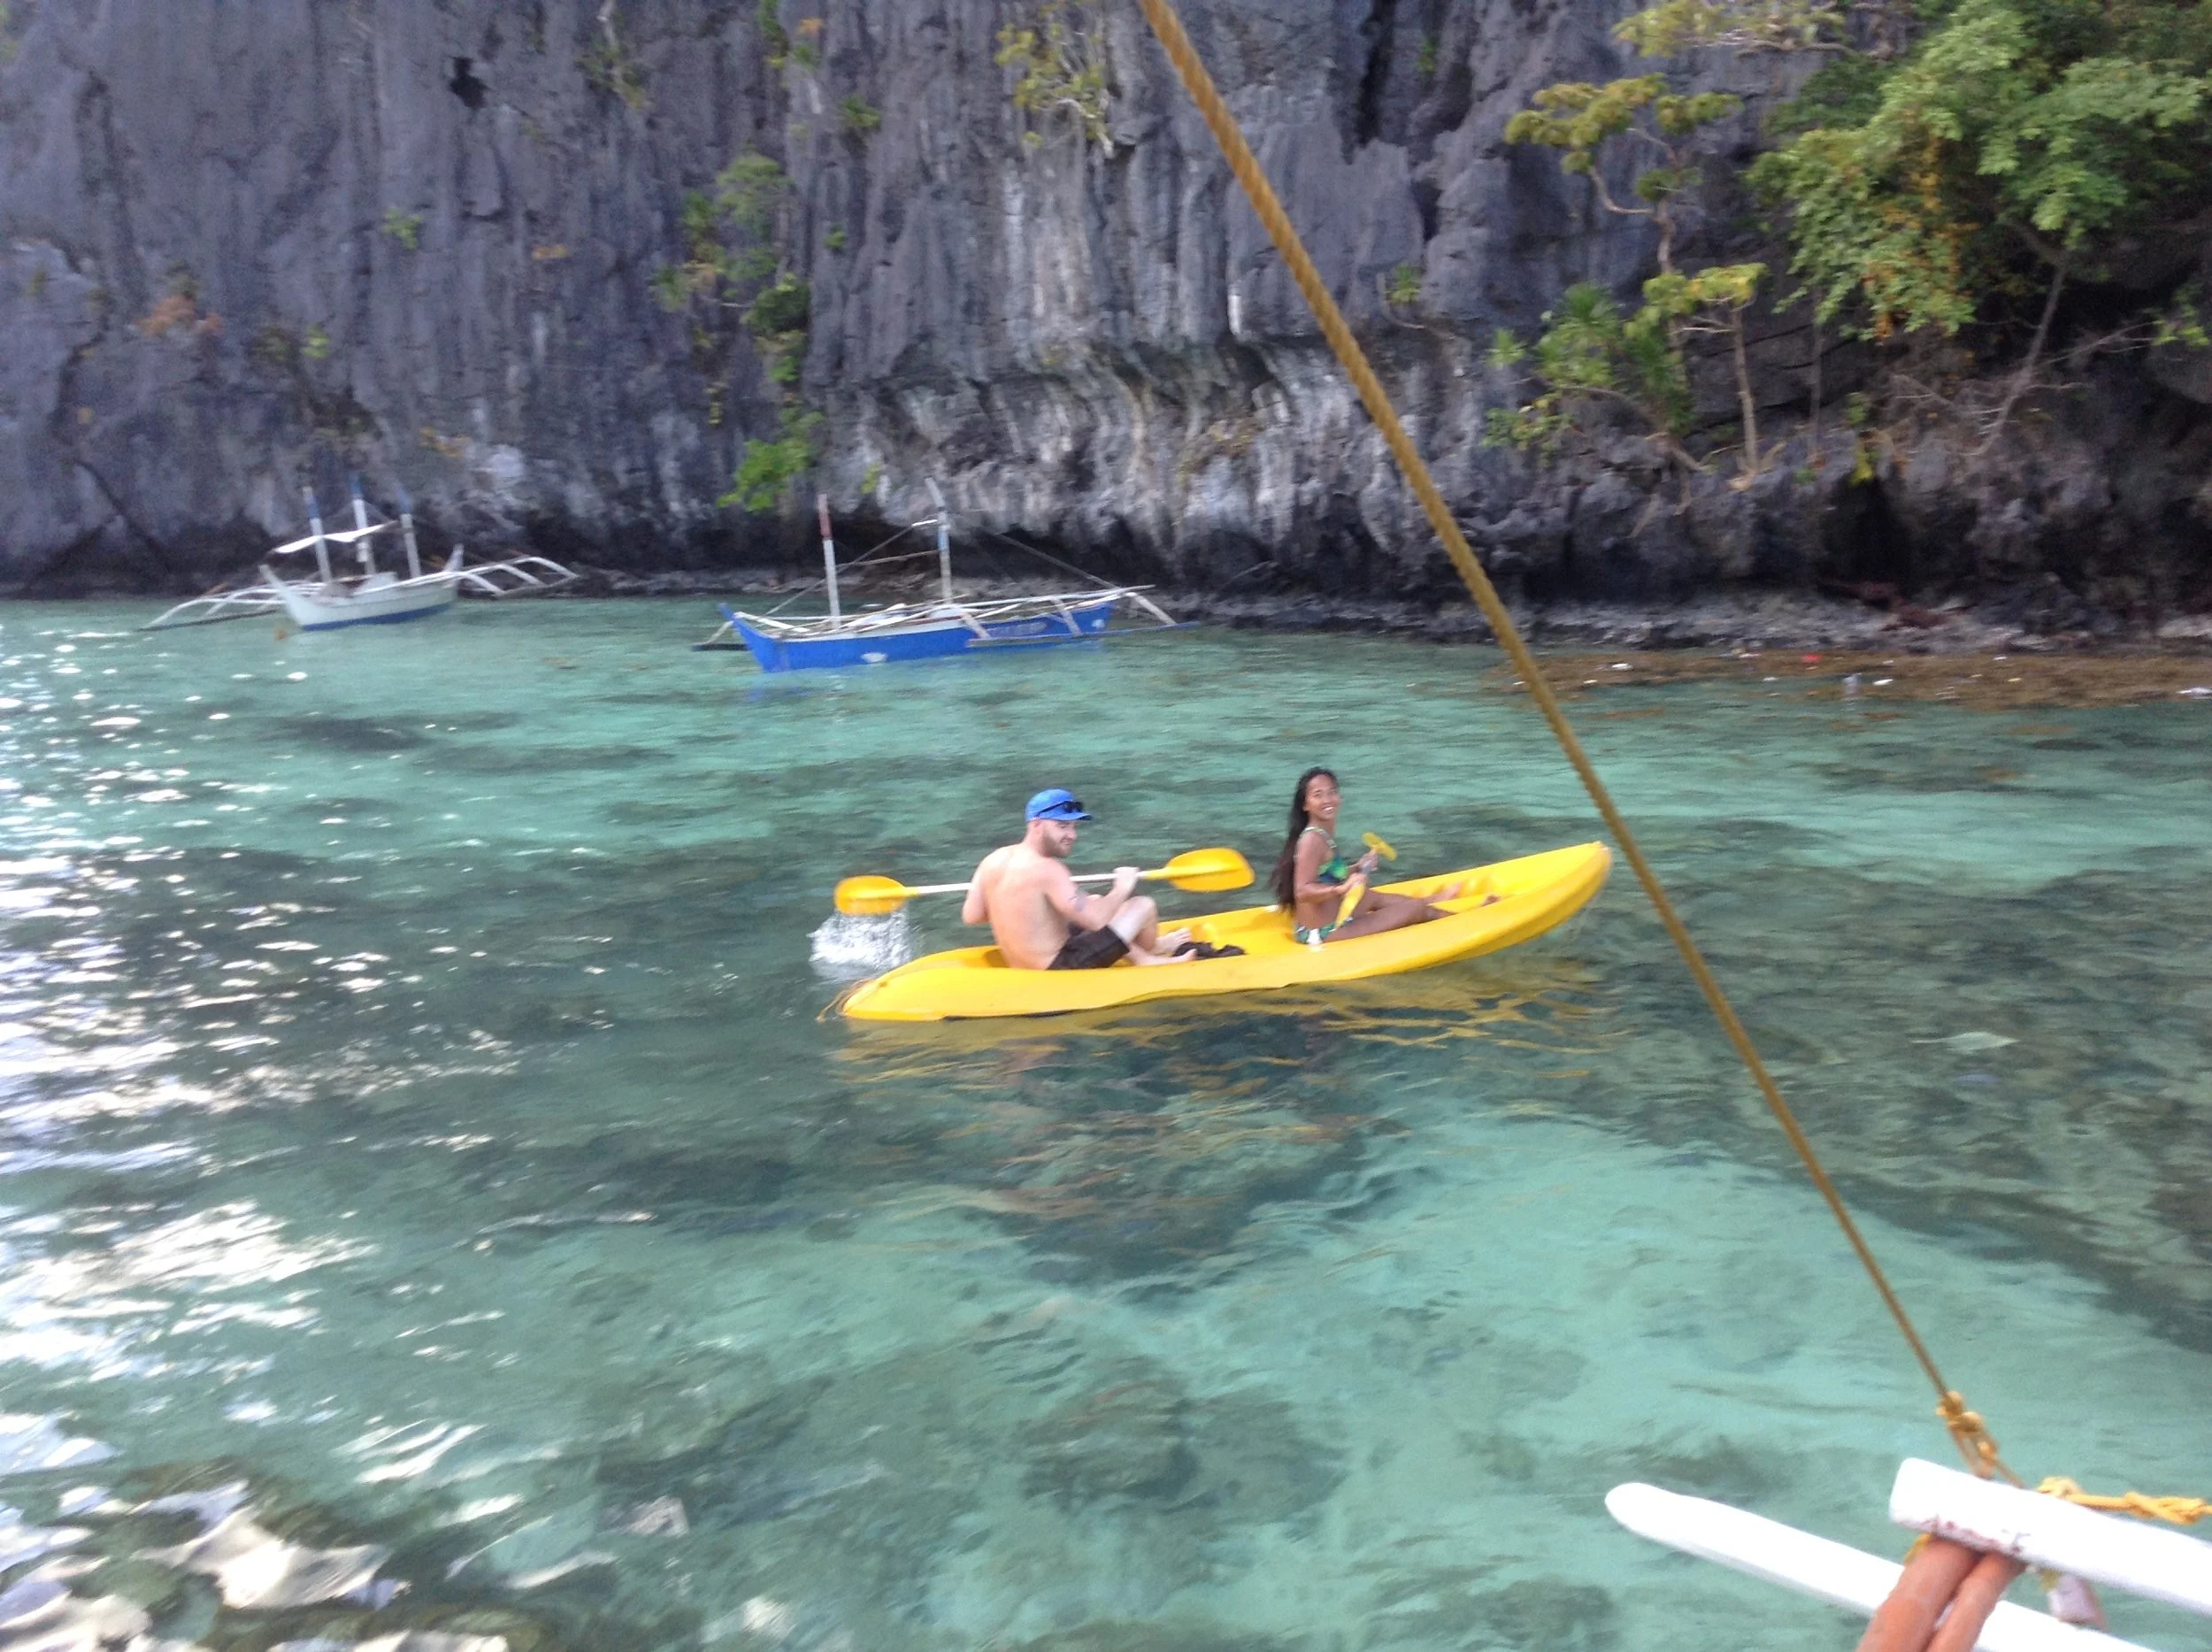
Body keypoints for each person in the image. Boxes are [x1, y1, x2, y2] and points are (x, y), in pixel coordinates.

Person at [963, 788, 1194, 971]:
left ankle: (1150, 951)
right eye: (1062, 826)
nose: (1072, 835)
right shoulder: (1048, 869)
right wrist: (1121, 888)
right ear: (1036, 825)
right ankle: (1147, 957)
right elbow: (1097, 921)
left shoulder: (993, 859)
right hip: (1059, 966)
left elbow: (972, 916)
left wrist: (1023, 908)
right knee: (1143, 905)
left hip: (1022, 962)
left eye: (1073, 826)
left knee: (1092, 900)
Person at [1269, 767, 1478, 945]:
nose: (1327, 800)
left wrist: (1358, 867)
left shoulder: (1321, 833)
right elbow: (1303, 891)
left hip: (1332, 920)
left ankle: (1433, 900)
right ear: (1305, 805)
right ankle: (1469, 923)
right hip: (1324, 933)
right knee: (1417, 910)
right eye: (1318, 795)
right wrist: (1340, 889)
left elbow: (1325, 873)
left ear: (1340, 796)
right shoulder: (1311, 840)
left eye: (1332, 792)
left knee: (1370, 897)